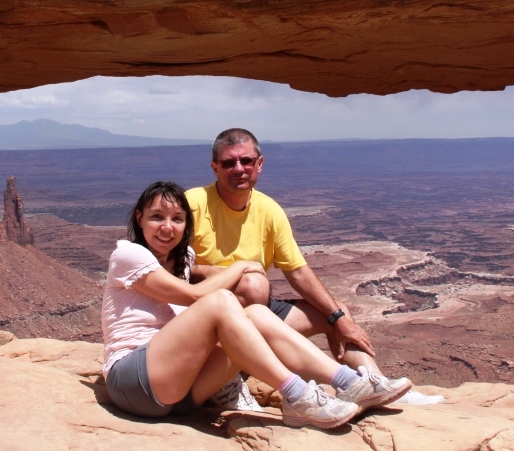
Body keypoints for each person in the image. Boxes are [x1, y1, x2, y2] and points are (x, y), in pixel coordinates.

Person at [101, 181, 412, 429]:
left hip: (179, 395)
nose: (166, 227)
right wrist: (242, 266)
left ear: (186, 226)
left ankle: (348, 383)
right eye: (156, 217)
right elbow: (195, 297)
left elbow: (191, 278)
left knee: (255, 314)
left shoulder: (183, 261)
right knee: (221, 302)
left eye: (176, 219)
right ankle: (296, 394)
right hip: (133, 382)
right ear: (139, 218)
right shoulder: (128, 255)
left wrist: (211, 270)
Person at [187, 129, 444, 407]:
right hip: (208, 312)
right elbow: (166, 265)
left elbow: (297, 271)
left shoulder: (269, 210)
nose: (239, 169)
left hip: (258, 309)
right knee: (253, 283)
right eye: (229, 163)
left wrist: (339, 319)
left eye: (246, 161)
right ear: (215, 168)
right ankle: (227, 382)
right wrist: (218, 272)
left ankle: (373, 386)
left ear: (259, 163)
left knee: (337, 313)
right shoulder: (193, 204)